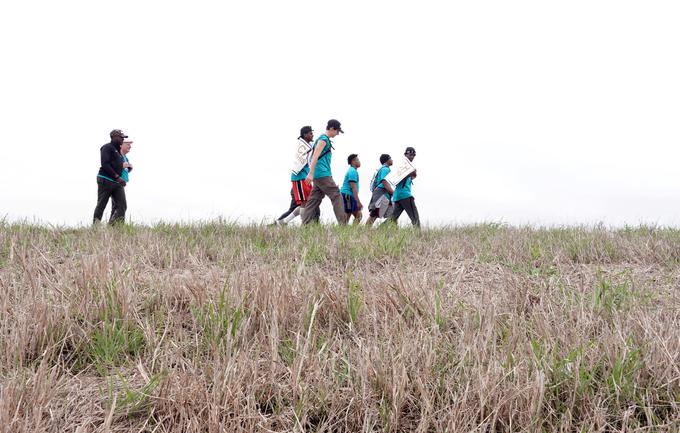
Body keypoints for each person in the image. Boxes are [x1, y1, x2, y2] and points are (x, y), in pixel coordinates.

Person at [301, 119, 347, 225]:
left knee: (314, 199)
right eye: (337, 131)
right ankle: (343, 224)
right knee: (336, 195)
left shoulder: (322, 139)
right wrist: (311, 173)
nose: (337, 134)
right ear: (331, 128)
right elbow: (315, 156)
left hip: (319, 174)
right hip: (322, 173)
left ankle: (305, 224)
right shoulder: (323, 139)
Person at [276, 126, 319, 224]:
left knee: (308, 203)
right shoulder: (303, 146)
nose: (312, 135)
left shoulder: (308, 145)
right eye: (310, 133)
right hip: (299, 178)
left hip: (305, 177)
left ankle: (283, 222)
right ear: (305, 135)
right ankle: (304, 224)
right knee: (304, 203)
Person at [93, 129, 128, 225]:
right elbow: (105, 164)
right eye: (121, 137)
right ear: (114, 137)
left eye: (123, 138)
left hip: (117, 182)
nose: (122, 140)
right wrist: (117, 177)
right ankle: (95, 227)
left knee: (122, 205)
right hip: (105, 180)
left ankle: (113, 227)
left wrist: (127, 170)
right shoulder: (107, 147)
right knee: (101, 204)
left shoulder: (118, 151)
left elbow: (117, 165)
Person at [389, 147, 420, 227]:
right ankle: (419, 236)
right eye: (410, 154)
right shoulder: (404, 166)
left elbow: (410, 177)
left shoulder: (407, 167)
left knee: (393, 218)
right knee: (415, 217)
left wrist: (412, 173)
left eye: (413, 155)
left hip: (398, 195)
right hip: (405, 195)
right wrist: (411, 172)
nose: (412, 156)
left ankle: (379, 230)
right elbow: (399, 178)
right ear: (405, 154)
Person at [365, 154, 394, 226]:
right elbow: (384, 182)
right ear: (387, 160)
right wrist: (393, 192)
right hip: (381, 192)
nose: (392, 160)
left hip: (385, 193)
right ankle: (365, 229)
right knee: (374, 213)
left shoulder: (383, 169)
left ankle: (383, 228)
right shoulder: (385, 169)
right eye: (391, 158)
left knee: (392, 214)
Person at [111, 140, 133, 221]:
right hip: (116, 183)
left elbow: (124, 169)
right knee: (122, 206)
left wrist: (129, 168)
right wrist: (122, 165)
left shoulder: (125, 157)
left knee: (116, 206)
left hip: (121, 183)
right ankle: (116, 225)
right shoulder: (118, 155)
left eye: (130, 145)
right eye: (128, 144)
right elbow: (111, 167)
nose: (130, 146)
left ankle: (112, 228)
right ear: (121, 145)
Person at [340, 154, 363, 225]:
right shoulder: (352, 171)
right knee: (351, 214)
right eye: (358, 160)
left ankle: (351, 231)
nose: (359, 161)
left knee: (357, 215)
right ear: (353, 161)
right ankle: (343, 230)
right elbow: (353, 187)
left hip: (349, 195)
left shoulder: (353, 170)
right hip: (348, 195)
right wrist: (358, 201)